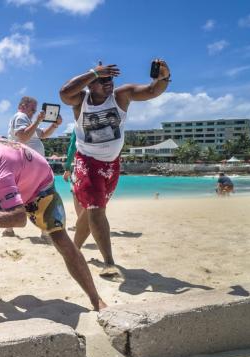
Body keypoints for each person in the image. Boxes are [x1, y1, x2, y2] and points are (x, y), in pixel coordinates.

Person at [0, 136, 106, 311]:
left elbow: (19, 219)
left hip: (39, 188)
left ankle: (96, 300)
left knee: (61, 240)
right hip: (10, 182)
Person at [59, 59, 170, 278]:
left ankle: (74, 250)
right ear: (91, 84)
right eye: (102, 80)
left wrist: (164, 77)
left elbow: (152, 91)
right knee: (95, 208)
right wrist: (93, 72)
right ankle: (109, 262)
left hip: (112, 164)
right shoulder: (81, 101)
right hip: (87, 161)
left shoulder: (121, 96)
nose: (108, 83)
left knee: (93, 211)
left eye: (110, 79)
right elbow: (64, 93)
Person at [2, 96, 62, 237]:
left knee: (25, 195)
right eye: (33, 109)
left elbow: (43, 135)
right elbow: (22, 137)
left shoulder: (28, 120)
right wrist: (37, 121)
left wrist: (55, 125)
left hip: (30, 166)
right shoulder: (21, 116)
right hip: (26, 166)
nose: (35, 111)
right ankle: (41, 230)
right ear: (23, 105)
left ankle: (10, 228)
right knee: (41, 194)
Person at [62, 130, 84, 220]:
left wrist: (67, 168)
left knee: (76, 193)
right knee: (99, 195)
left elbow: (72, 148)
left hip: (84, 163)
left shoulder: (79, 124)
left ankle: (81, 222)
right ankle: (97, 220)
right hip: (104, 163)